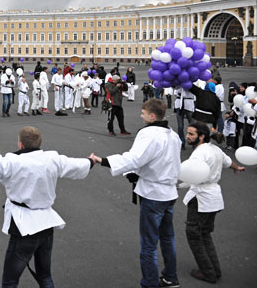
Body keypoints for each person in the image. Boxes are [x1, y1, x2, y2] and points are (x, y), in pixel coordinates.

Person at [0, 126, 94, 287]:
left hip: (24, 227)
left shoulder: (13, 161)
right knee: (44, 276)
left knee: (10, 280)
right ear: (39, 143)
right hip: (47, 225)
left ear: (20, 144)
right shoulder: (52, 159)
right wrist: (91, 160)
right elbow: (77, 165)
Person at [89, 99, 182, 288]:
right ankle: (171, 277)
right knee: (167, 238)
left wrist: (102, 160)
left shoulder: (149, 134)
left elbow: (134, 159)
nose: (141, 115)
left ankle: (149, 283)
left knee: (149, 244)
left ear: (152, 116)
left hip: (153, 194)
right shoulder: (173, 135)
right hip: (169, 193)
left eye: (143, 112)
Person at [182, 122, 244, 283]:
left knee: (194, 235)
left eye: (191, 134)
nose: (187, 136)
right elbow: (228, 162)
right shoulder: (214, 149)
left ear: (201, 136)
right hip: (214, 198)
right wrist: (237, 168)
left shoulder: (199, 153)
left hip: (201, 198)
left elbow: (186, 172)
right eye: (188, 133)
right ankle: (214, 269)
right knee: (205, 234)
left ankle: (208, 272)